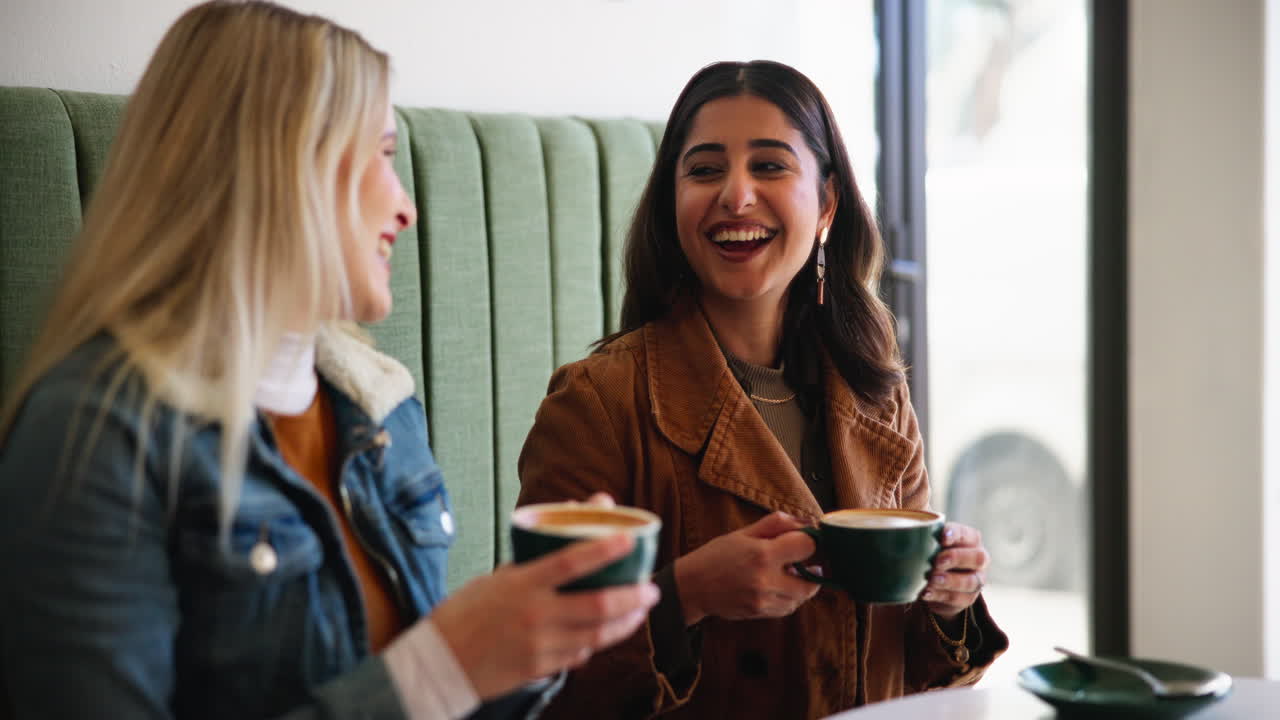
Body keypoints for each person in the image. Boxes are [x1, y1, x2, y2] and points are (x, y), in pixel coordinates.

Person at [0, 3, 658, 719]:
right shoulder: (94, 433)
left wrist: (527, 642)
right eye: (379, 153)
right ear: (276, 164)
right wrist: (445, 664)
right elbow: (421, 685)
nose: (405, 207)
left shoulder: (377, 404)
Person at [516, 60, 1009, 719]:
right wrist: (685, 595)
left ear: (827, 203)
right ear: (673, 201)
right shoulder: (598, 404)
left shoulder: (876, 397)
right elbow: (539, 675)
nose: (736, 195)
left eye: (770, 166)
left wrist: (952, 599)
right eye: (705, 169)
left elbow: (918, 683)